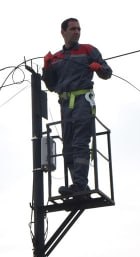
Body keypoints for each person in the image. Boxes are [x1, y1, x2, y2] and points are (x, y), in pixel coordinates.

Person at [42, 17, 113, 197]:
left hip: (83, 102)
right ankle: (78, 185)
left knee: (80, 143)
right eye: (73, 29)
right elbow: (51, 85)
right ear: (63, 32)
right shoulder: (57, 58)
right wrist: (47, 67)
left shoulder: (88, 50)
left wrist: (98, 68)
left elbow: (107, 72)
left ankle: (81, 184)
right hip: (65, 105)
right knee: (68, 147)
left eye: (79, 29)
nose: (77, 32)